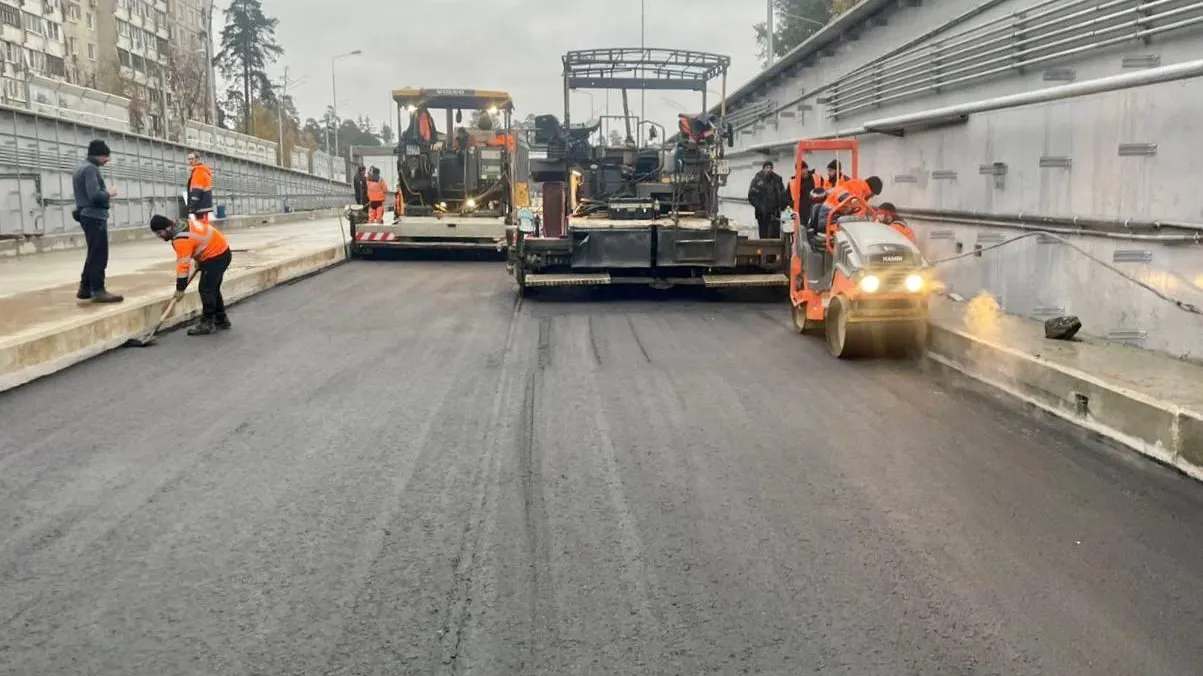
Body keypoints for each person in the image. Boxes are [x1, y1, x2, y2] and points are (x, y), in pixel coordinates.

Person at [149, 214, 232, 335]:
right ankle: (221, 320)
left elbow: (183, 266)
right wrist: (200, 260)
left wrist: (180, 289)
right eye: (156, 234)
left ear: (167, 228)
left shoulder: (181, 239)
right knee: (212, 288)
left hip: (216, 256)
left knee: (206, 289)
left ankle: (207, 323)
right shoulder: (181, 223)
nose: (158, 236)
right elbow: (197, 240)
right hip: (220, 251)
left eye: (159, 233)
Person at [71, 139, 123, 303]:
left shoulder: (80, 167)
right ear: (100, 155)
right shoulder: (90, 169)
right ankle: (98, 289)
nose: (108, 160)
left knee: (93, 253)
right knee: (99, 255)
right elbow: (94, 196)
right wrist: (109, 193)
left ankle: (85, 288)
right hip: (94, 217)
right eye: (106, 157)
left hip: (86, 215)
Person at [808, 175, 884, 241]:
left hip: (836, 218)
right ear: (872, 190)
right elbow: (841, 194)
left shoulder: (862, 193)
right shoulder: (857, 186)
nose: (873, 196)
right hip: (828, 219)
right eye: (874, 194)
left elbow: (861, 213)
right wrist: (850, 199)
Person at [747, 160, 789, 239]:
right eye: (767, 167)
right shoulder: (758, 180)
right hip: (763, 214)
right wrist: (760, 206)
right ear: (763, 169)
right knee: (764, 235)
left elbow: (783, 194)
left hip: (775, 213)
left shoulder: (777, 180)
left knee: (775, 235)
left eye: (770, 168)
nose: (768, 169)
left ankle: (774, 251)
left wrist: (784, 205)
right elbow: (752, 195)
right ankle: (764, 251)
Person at [186, 151, 214, 223]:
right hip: (203, 206)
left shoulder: (198, 171)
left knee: (201, 227)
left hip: (200, 206)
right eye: (188, 159)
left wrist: (191, 207)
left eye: (192, 159)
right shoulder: (201, 170)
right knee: (203, 227)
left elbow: (196, 191)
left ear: (197, 159)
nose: (190, 161)